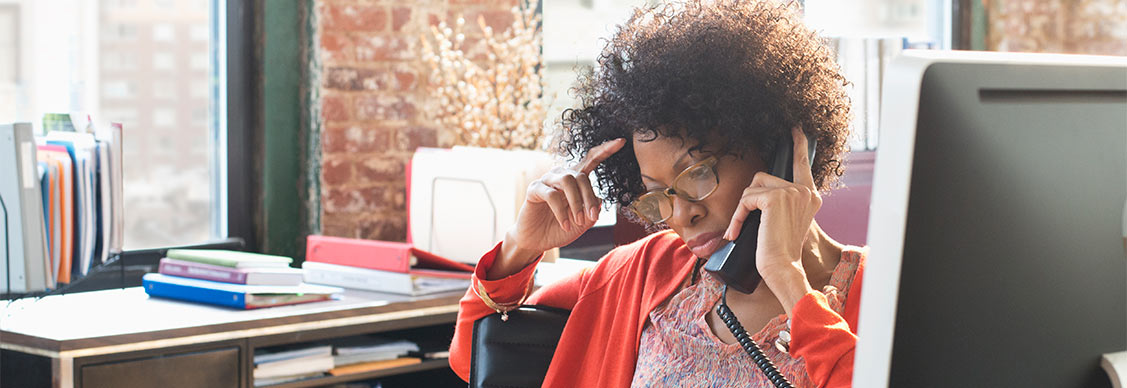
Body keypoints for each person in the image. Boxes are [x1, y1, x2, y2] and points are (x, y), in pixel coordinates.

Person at [449, 1, 861, 387]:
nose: (681, 215)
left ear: (778, 151)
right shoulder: (647, 272)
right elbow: (472, 354)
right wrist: (520, 246)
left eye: (698, 173)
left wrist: (788, 279)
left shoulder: (884, 292)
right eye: (657, 194)